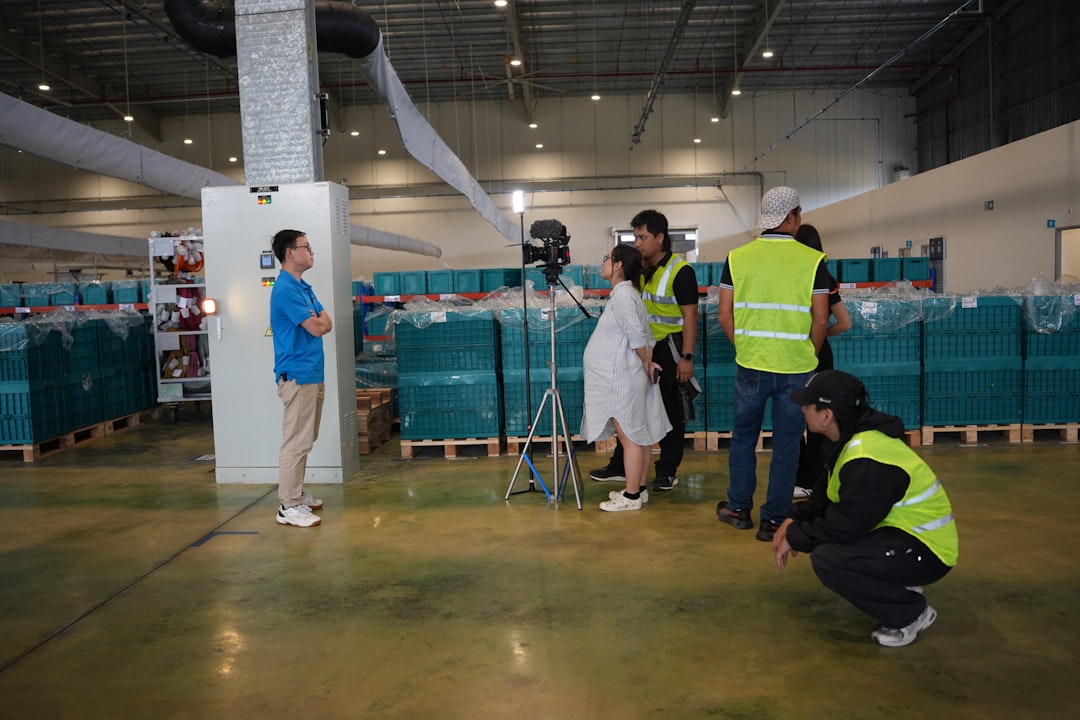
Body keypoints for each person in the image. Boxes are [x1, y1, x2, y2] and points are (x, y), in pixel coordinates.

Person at [773, 370, 958, 647]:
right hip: (900, 537)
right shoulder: (848, 441)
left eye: (808, 404)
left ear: (826, 415)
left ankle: (910, 613)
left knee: (830, 559)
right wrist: (793, 518)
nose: (802, 409)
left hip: (927, 551)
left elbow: (845, 524)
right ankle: (895, 583)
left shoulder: (867, 459)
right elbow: (825, 497)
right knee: (832, 549)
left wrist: (797, 536)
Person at [715, 186, 831, 541]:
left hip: (751, 365)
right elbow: (822, 319)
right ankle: (773, 520)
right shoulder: (813, 261)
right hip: (797, 368)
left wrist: (745, 347)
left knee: (744, 438)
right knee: (787, 443)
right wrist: (807, 354)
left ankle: (737, 509)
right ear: (792, 215)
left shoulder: (737, 257)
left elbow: (724, 315)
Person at [589, 209, 698, 492]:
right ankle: (622, 466)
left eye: (643, 237)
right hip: (642, 350)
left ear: (660, 238)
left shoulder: (680, 271)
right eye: (635, 237)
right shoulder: (640, 270)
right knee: (635, 410)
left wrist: (687, 357)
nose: (638, 242)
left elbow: (690, 317)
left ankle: (666, 471)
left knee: (668, 412)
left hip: (668, 349)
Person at [581, 245, 671, 512]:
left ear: (618, 265)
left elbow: (636, 335)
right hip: (626, 374)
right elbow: (644, 335)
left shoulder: (623, 296)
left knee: (629, 435)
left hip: (621, 377)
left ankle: (631, 497)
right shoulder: (629, 294)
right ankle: (639, 489)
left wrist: (646, 361)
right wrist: (647, 360)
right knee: (638, 434)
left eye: (607, 258)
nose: (604, 262)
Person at [269, 229, 332, 528]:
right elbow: (318, 328)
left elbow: (326, 321)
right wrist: (317, 321)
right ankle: (288, 505)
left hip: (311, 372)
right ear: (290, 252)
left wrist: (318, 321)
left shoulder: (302, 286)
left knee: (306, 439)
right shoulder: (285, 289)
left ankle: (296, 494)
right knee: (295, 441)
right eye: (307, 247)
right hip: (297, 374)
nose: (312, 252)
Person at [793, 224, 852, 499]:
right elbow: (844, 322)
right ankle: (811, 478)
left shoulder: (801, 277)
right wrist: (823, 335)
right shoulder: (826, 279)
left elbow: (841, 322)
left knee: (802, 417)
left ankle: (808, 480)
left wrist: (813, 339)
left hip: (802, 352)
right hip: (819, 351)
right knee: (816, 419)